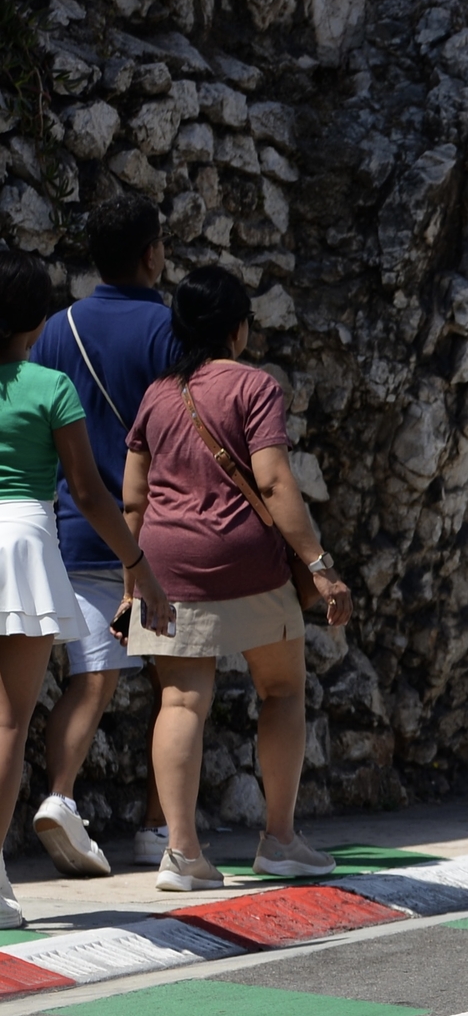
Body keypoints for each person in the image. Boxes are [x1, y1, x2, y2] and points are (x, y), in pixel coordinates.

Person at [120, 267, 353, 890]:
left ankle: (183, 854)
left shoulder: (156, 396)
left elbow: (134, 500)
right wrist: (320, 567)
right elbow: (274, 482)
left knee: (180, 699)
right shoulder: (254, 386)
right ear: (238, 328)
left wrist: (131, 580)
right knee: (280, 690)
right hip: (247, 564)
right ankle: (278, 840)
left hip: (166, 566)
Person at [0, 250, 171, 926]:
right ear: (38, 320)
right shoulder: (49, 386)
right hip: (25, 541)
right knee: (9, 720)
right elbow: (87, 490)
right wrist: (136, 559)